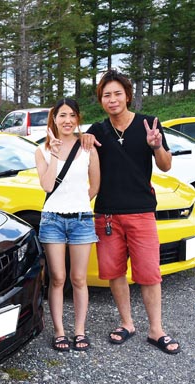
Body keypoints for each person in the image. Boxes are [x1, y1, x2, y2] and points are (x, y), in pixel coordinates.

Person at [82, 69, 180, 355]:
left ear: (127, 96)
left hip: (141, 212)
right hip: (107, 215)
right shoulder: (97, 131)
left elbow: (166, 166)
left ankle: (156, 329)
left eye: (117, 94)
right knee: (114, 273)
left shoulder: (149, 124)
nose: (112, 100)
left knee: (149, 273)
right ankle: (126, 323)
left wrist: (157, 145)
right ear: (101, 100)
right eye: (106, 95)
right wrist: (83, 140)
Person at [35, 98, 100, 352]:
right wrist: (52, 155)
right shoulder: (41, 150)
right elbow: (48, 186)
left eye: (72, 115)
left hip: (82, 220)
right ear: (54, 118)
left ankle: (80, 331)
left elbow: (94, 185)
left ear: (78, 118)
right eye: (62, 115)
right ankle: (60, 331)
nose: (67, 120)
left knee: (79, 278)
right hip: (52, 219)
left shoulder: (88, 147)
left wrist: (80, 203)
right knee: (58, 278)